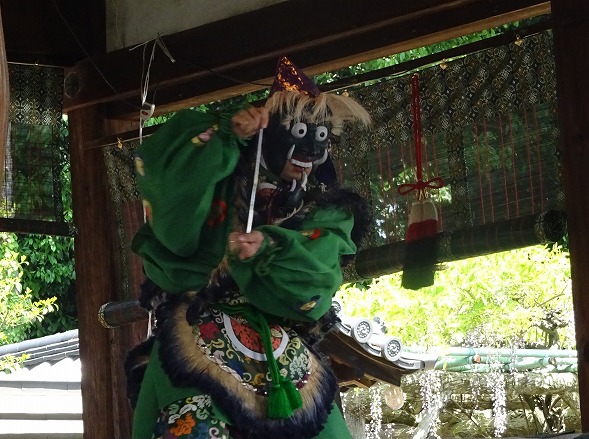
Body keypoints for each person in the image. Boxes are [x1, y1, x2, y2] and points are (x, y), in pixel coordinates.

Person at [126, 57, 371, 439]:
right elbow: (173, 210)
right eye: (299, 134)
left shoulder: (326, 211)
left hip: (285, 345)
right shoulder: (222, 171)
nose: (308, 154)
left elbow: (317, 277)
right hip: (197, 323)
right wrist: (225, 130)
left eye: (320, 140)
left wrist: (271, 246)